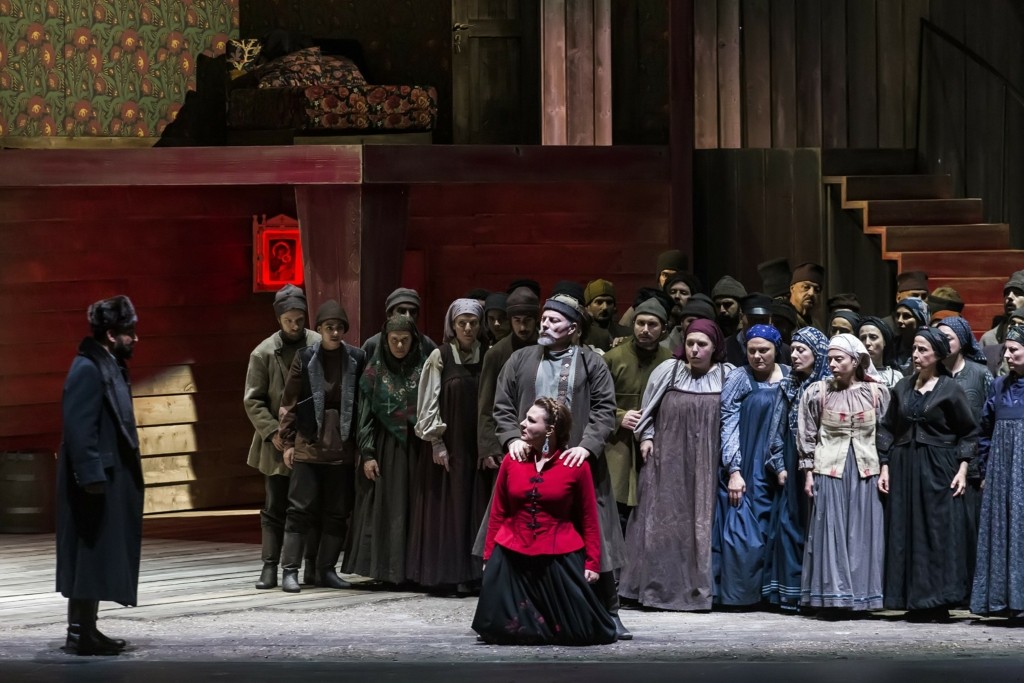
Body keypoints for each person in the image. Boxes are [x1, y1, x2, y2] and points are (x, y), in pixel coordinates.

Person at [487, 292, 630, 639]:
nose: (545, 325)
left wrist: (587, 447)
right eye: (545, 319)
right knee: (522, 528)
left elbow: (604, 409)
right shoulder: (520, 359)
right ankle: (514, 614)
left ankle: (609, 612)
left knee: (595, 531)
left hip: (577, 460)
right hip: (530, 461)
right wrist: (512, 439)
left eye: (554, 320)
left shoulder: (592, 363)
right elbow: (502, 405)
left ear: (574, 327)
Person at [473, 397, 617, 645]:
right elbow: (498, 512)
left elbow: (589, 518)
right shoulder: (512, 460)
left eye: (531, 420)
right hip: (511, 555)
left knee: (583, 632)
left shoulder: (575, 466)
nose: (522, 423)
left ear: (550, 430)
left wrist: (593, 563)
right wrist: (488, 557)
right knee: (498, 629)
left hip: (558, 556)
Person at [619, 319, 734, 611]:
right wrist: (646, 437)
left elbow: (734, 421)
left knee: (700, 522)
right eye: (690, 343)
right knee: (660, 520)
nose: (694, 350)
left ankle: (696, 591)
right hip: (667, 456)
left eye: (702, 345)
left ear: (714, 347)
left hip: (707, 460)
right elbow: (648, 408)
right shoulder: (668, 370)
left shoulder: (728, 375)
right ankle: (655, 589)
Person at [56, 296, 143, 656]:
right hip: (92, 482)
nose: (134, 338)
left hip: (105, 479)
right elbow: (79, 427)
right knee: (88, 554)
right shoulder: (88, 368)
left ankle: (86, 629)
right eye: (129, 332)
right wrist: (91, 475)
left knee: (95, 555)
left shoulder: (109, 366)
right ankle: (79, 633)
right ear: (111, 334)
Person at [877, 327, 978, 622]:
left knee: (937, 532)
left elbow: (968, 432)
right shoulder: (902, 387)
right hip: (904, 466)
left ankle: (939, 600)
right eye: (914, 349)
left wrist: (963, 469)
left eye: (923, 350)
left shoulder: (950, 389)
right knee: (907, 531)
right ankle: (913, 600)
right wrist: (885, 465)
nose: (916, 355)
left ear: (937, 354)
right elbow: (887, 428)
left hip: (939, 467)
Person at [276, 300, 366, 593]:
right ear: (319, 329)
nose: (335, 332)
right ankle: (290, 570)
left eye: (339, 327)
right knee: (299, 510)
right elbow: (289, 402)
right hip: (309, 444)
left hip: (341, 449)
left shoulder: (356, 358)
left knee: (337, 512)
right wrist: (288, 443)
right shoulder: (305, 357)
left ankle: (326, 569)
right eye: (329, 327)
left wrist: (360, 448)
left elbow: (363, 404)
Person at [797, 334, 890, 615]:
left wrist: (885, 468)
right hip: (829, 469)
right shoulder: (818, 392)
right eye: (830, 360)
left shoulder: (876, 392)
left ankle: (862, 596)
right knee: (830, 532)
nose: (833, 365)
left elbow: (885, 434)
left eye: (839, 359)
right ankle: (832, 597)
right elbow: (807, 434)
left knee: (862, 533)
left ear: (856, 361)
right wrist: (808, 473)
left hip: (865, 470)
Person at [243, 284, 321, 590]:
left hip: (310, 440)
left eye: (299, 319)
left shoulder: (317, 344)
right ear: (279, 320)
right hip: (276, 444)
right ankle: (269, 567)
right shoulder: (263, 352)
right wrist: (273, 431)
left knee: (307, 506)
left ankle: (307, 566)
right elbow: (253, 400)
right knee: (274, 505)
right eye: (289, 320)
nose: (295, 325)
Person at [343, 317, 427, 585]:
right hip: (384, 448)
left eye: (405, 340)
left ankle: (414, 571)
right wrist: (367, 454)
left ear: (413, 340)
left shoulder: (425, 368)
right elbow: (365, 416)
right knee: (387, 507)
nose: (400, 345)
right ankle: (386, 571)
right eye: (394, 340)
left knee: (415, 507)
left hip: (417, 448)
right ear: (385, 341)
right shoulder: (373, 373)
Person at [410, 298, 485, 591]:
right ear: (452, 325)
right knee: (450, 508)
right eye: (461, 323)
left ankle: (474, 574)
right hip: (450, 446)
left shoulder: (487, 354)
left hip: (476, 445)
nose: (467, 328)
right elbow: (428, 401)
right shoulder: (439, 356)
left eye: (473, 323)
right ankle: (449, 575)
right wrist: (436, 442)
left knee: (474, 507)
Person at [714, 324, 790, 607]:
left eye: (764, 350)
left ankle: (776, 593)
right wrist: (734, 470)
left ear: (776, 350)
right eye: (752, 350)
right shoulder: (739, 377)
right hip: (750, 461)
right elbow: (728, 423)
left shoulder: (790, 376)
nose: (757, 356)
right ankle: (746, 594)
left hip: (784, 460)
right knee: (748, 528)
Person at [764, 327, 830, 610]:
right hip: (793, 458)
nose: (794, 355)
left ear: (817, 354)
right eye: (792, 350)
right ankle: (792, 593)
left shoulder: (828, 386)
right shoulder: (788, 385)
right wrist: (779, 464)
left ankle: (818, 591)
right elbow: (776, 428)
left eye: (802, 350)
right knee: (790, 523)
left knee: (818, 524)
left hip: (823, 458)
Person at [602, 298, 672, 532]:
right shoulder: (613, 358)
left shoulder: (670, 361)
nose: (645, 329)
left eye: (652, 324)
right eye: (640, 323)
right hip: (617, 446)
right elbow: (594, 400)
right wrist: (618, 416)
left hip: (655, 445)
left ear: (664, 329)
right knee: (616, 512)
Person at [971, 325, 1024, 617]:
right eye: (1006, 350)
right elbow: (985, 429)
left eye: (1014, 350)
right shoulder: (999, 385)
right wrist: (986, 470)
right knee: (1003, 529)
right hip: (1002, 468)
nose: (1007, 355)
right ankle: (1002, 600)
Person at [937, 315, 992, 582]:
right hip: (939, 461)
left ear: (962, 340)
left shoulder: (980, 374)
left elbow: (989, 421)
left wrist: (985, 467)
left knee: (970, 526)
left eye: (948, 338)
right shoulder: (931, 374)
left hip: (973, 464)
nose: (943, 342)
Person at [477, 286, 540, 478]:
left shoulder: (548, 347)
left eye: (527, 321)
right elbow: (486, 404)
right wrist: (489, 446)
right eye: (517, 321)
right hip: (508, 436)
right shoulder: (497, 353)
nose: (522, 327)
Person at [361, 287, 437, 360]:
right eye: (402, 311)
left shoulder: (427, 345)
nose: (408, 316)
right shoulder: (373, 345)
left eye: (412, 312)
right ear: (389, 315)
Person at [857, 316, 904, 388]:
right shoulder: (853, 376)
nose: (867, 343)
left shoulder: (896, 377)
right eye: (863, 338)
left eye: (873, 337)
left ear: (884, 341)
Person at [892, 297, 928, 372]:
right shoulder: (890, 346)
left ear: (920, 320)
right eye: (897, 315)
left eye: (906, 316)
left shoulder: (929, 348)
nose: (899, 320)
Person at [787, 262, 824, 330]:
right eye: (806, 287)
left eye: (817, 290)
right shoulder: (782, 321)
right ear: (792, 289)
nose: (811, 293)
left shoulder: (816, 326)